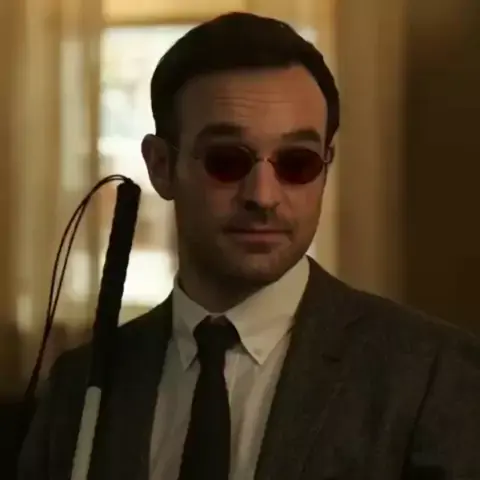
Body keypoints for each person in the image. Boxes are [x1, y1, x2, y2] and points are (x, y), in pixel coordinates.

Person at [19, 12, 480, 480]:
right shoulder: (79, 385)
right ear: (160, 166)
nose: (263, 196)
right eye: (226, 159)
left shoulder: (433, 375)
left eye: (297, 162)